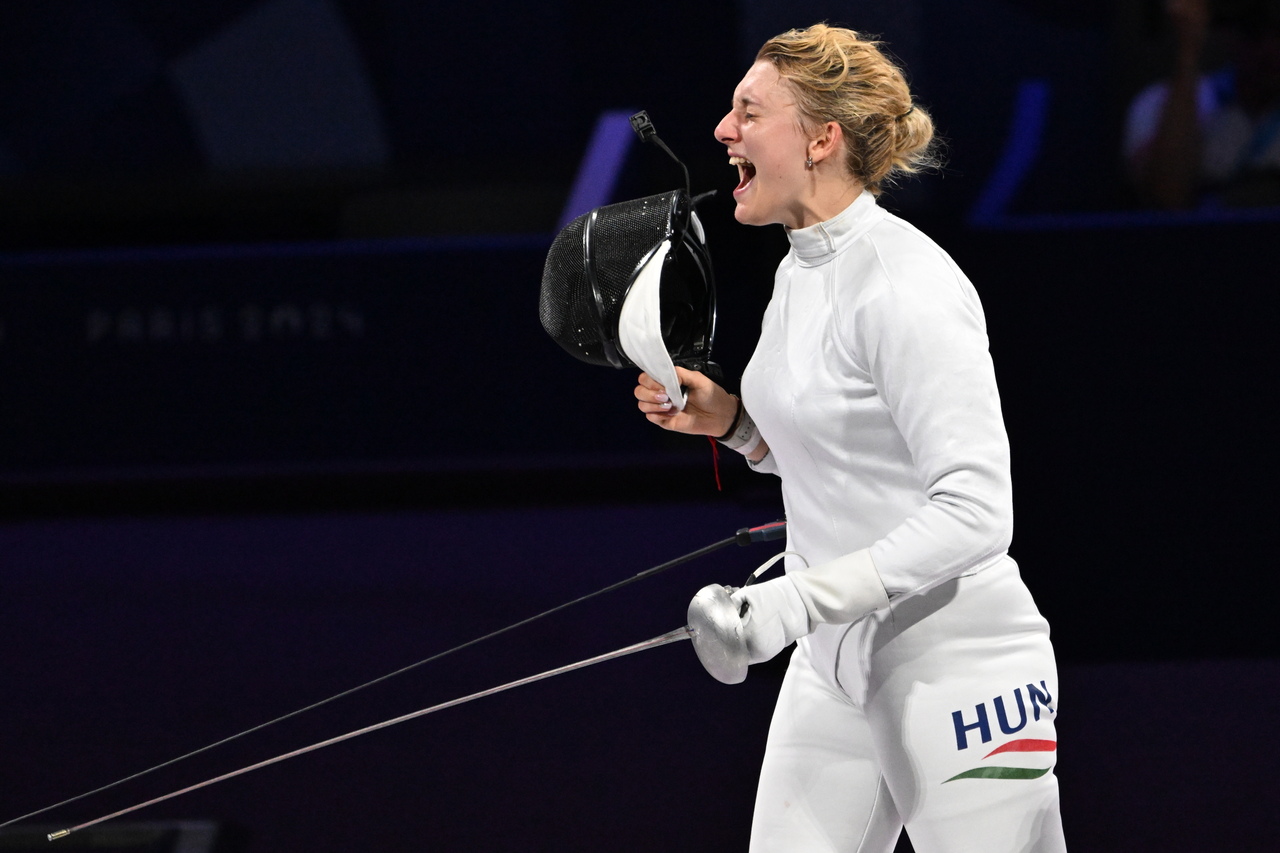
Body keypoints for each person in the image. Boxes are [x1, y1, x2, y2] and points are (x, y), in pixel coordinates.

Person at [633, 25, 1066, 852]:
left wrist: (794, 600)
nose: (723, 133)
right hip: (833, 667)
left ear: (821, 139)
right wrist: (732, 421)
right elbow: (849, 453)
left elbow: (977, 511)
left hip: (958, 669)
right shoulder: (801, 268)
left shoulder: (907, 285)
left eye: (748, 112)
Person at [1124, 0, 1280, 209]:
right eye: (1256, 34)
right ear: (1229, 34)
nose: (1271, 51)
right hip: (1193, 240)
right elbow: (1166, 200)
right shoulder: (1157, 102)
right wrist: (1188, 49)